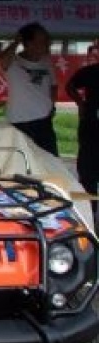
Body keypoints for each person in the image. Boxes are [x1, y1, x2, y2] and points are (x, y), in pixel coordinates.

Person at [0, 22, 58, 155]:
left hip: (44, 121)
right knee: (23, 163)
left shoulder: (46, 61)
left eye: (47, 41)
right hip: (20, 121)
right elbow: (2, 61)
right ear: (28, 43)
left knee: (50, 162)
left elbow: (53, 85)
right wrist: (16, 42)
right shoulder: (13, 62)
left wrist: (52, 106)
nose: (46, 45)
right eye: (42, 41)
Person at [66, 43, 99, 214]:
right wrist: (80, 103)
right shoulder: (91, 71)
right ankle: (89, 213)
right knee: (87, 175)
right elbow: (70, 85)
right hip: (91, 129)